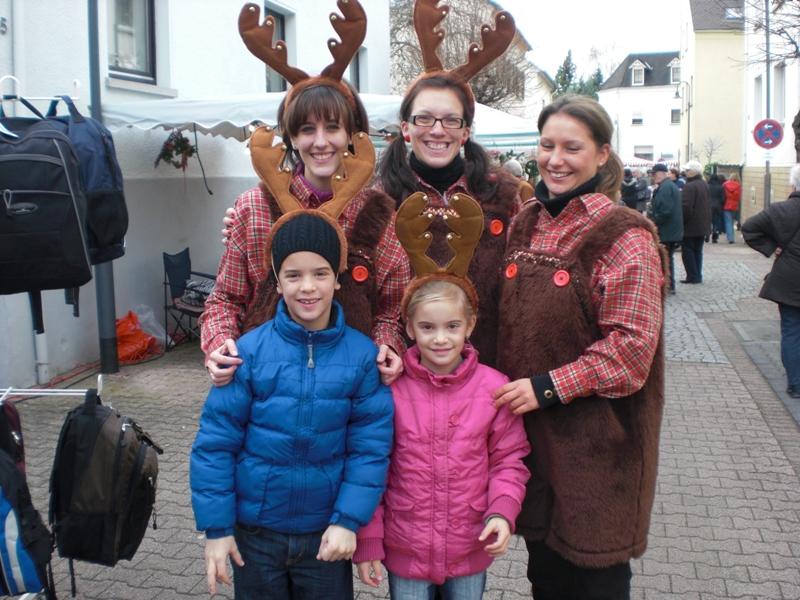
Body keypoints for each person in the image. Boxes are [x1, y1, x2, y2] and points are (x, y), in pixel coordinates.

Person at [492, 95, 666, 600]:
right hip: (534, 443)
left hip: (600, 446)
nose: (555, 159)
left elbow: (632, 351)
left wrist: (546, 387)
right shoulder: (527, 220)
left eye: (572, 147)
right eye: (547, 145)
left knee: (595, 581)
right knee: (545, 577)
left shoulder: (624, 235)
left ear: (602, 154)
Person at [202, 1, 410, 387]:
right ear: (292, 139)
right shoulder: (253, 208)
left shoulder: (377, 214)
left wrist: (387, 346)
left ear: (352, 134)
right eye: (305, 130)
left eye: (332, 127)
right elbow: (225, 300)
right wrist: (218, 344)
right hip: (267, 392)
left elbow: (392, 307)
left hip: (349, 395)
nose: (320, 142)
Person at [190, 211, 394, 599]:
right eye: (293, 275)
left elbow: (370, 451)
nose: (307, 287)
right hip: (255, 538)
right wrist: (217, 529)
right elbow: (215, 446)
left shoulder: (362, 357)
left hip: (326, 537)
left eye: (320, 273)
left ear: (338, 277)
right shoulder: (247, 353)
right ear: (277, 280)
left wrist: (349, 520)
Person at [354, 192, 529, 598]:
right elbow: (370, 467)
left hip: (469, 546)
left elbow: (509, 460)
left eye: (452, 326)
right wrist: (367, 539)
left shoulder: (493, 388)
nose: (440, 338)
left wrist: (503, 511)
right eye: (428, 328)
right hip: (406, 548)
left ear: (470, 325)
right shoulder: (390, 389)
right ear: (409, 328)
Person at [377, 4, 519, 369]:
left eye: (450, 120)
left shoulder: (504, 196)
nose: (437, 130)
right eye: (424, 118)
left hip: (485, 372)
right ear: (406, 128)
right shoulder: (378, 200)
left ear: (466, 131)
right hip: (402, 374)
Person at [742, 164, 800, 399]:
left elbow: (749, 228)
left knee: (791, 331)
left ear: (793, 183)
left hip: (787, 280)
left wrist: (771, 247)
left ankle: (795, 384)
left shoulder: (781, 210)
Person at [648, 163, 683, 294]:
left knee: (665, 258)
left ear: (662, 173)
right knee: (667, 258)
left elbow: (665, 211)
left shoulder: (665, 188)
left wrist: (652, 220)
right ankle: (669, 285)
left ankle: (668, 286)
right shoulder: (668, 186)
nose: (653, 177)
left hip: (666, 231)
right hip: (670, 230)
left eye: (654, 174)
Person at [680, 160, 711, 284]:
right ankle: (697, 275)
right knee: (698, 251)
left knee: (688, 251)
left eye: (687, 170)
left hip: (691, 225)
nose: (685, 172)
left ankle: (692, 276)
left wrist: (683, 221)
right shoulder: (704, 184)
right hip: (702, 225)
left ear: (693, 172)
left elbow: (686, 207)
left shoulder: (689, 186)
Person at [722, 172, 742, 243]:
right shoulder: (738, 186)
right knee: (732, 222)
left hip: (726, 205)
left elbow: (722, 195)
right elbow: (739, 197)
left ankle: (730, 238)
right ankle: (731, 237)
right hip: (734, 206)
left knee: (728, 222)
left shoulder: (724, 184)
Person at [707, 173, 725, 243]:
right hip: (718, 206)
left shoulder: (707, 186)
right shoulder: (720, 187)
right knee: (716, 222)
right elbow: (723, 198)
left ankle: (707, 235)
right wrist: (721, 204)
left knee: (708, 221)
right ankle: (715, 237)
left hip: (708, 206)